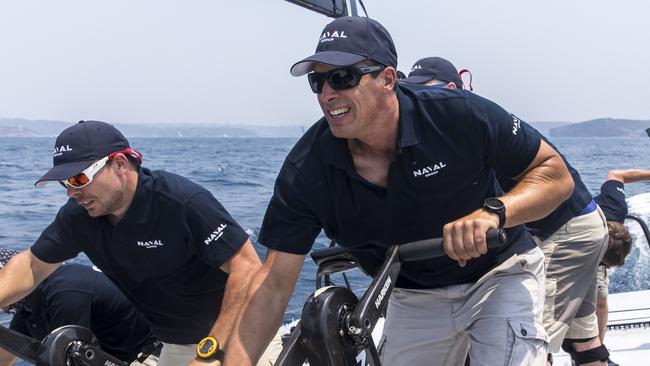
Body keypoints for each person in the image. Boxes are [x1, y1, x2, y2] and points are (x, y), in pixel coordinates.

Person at [224, 16, 576, 366]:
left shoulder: (457, 115)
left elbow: (555, 175)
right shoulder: (307, 169)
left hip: (498, 274)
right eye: (318, 81)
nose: (328, 93)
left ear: (387, 79)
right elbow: (273, 286)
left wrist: (494, 213)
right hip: (413, 294)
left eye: (342, 77)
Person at [0, 121, 281, 366]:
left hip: (243, 337)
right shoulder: (79, 216)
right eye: (65, 182)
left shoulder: (181, 202)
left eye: (79, 178)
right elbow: (33, 264)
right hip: (176, 345)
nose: (72, 192)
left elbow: (247, 270)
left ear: (120, 164)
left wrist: (210, 354)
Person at [403, 57, 611, 365]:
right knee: (583, 341)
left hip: (564, 233)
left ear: (450, 90)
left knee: (527, 335)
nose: (415, 101)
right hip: (584, 225)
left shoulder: (468, 131)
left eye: (424, 92)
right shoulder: (479, 121)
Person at [0, 247, 159, 366]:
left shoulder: (64, 293)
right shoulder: (27, 304)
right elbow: (5, 356)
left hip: (149, 354)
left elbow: (67, 356)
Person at [593, 169, 650, 366]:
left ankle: (599, 354)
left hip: (596, 249)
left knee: (600, 298)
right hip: (568, 251)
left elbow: (617, 175)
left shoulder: (614, 205)